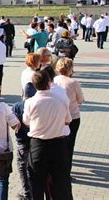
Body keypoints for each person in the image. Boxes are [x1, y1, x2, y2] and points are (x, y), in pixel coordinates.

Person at [23, 71, 72, 199]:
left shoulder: (30, 102)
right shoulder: (61, 99)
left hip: (38, 145)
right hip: (58, 144)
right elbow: (68, 120)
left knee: (36, 182)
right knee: (61, 183)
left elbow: (26, 122)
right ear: (49, 82)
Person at [54, 58, 84, 177]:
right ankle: (66, 172)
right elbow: (80, 99)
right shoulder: (73, 82)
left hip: (57, 115)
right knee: (69, 145)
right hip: (72, 116)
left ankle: (55, 169)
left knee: (57, 143)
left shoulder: (54, 80)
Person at [12, 84, 37, 200]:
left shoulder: (17, 106)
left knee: (22, 166)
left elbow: (13, 124)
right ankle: (34, 190)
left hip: (21, 140)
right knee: (33, 167)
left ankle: (26, 191)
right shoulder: (37, 105)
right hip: (35, 141)